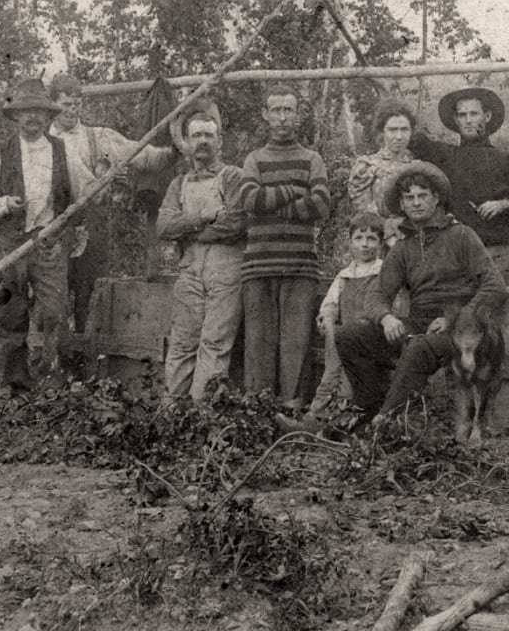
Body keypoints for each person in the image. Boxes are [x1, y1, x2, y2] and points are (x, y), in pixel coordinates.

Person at [334, 161, 508, 421]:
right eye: (409, 198)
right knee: (350, 335)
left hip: (465, 329)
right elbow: (377, 295)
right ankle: (368, 412)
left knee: (418, 347)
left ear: (436, 199)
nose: (416, 203)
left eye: (422, 196)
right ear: (402, 204)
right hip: (421, 325)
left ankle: (385, 423)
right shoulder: (404, 248)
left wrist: (455, 319)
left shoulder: (462, 235)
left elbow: (496, 286)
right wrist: (386, 317)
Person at [0, 78, 84, 395]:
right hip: (10, 246)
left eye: (38, 112)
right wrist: (4, 204)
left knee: (54, 313)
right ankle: (14, 388)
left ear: (48, 117)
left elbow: (80, 194)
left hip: (48, 245)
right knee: (9, 315)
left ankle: (52, 382)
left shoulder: (62, 151)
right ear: (16, 116)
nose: (32, 118)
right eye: (25, 112)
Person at [47, 73, 177, 333]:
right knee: (52, 304)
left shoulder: (99, 138)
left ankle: (89, 366)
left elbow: (144, 156)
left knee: (91, 299)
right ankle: (55, 367)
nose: (72, 111)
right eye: (66, 105)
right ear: (53, 105)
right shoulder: (41, 143)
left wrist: (177, 149)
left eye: (77, 104)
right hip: (52, 230)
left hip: (92, 227)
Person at [237, 84, 331, 405]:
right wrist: (293, 190)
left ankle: (291, 413)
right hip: (258, 266)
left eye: (288, 110)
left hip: (300, 265)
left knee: (295, 345)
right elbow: (249, 199)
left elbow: (320, 205)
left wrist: (274, 198)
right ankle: (258, 413)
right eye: (275, 110)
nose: (282, 118)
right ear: (265, 115)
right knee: (259, 344)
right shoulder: (254, 159)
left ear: (298, 115)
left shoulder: (311, 159)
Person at [155, 109, 246, 401]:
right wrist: (203, 216)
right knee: (182, 344)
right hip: (190, 272)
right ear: (187, 143)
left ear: (220, 140)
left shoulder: (233, 176)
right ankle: (170, 417)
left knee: (214, 344)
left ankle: (200, 418)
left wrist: (189, 229)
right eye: (197, 135)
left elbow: (234, 224)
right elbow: (163, 226)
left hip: (226, 272)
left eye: (209, 135)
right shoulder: (178, 184)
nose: (203, 141)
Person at [274, 210, 388, 434]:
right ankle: (312, 420)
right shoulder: (344, 275)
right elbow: (330, 304)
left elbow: (387, 303)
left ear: (381, 244)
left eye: (371, 239)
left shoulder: (383, 271)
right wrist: (326, 317)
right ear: (351, 242)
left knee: (347, 382)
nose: (365, 244)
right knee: (330, 376)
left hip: (368, 340)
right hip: (342, 340)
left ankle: (337, 426)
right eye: (359, 238)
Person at [410, 86, 509, 285]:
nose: (468, 120)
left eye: (474, 113)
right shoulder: (445, 155)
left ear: (487, 116)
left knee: (503, 304)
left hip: (503, 248)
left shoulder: (504, 159)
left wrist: (504, 204)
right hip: (460, 250)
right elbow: (415, 141)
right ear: (455, 120)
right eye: (462, 115)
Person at [347, 98, 416, 246]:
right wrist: (389, 231)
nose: (399, 136)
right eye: (392, 130)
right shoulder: (367, 166)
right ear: (382, 131)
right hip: (376, 238)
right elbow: (364, 211)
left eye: (404, 129)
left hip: (412, 236)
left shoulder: (417, 166)